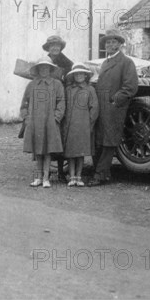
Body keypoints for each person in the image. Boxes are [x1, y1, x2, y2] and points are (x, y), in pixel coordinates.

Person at [88, 28, 138, 186]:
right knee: (98, 140)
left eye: (113, 42)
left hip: (114, 108)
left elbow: (130, 87)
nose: (109, 44)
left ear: (119, 45)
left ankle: (99, 175)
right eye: (107, 42)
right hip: (100, 107)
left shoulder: (126, 62)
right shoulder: (105, 62)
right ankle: (104, 173)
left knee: (109, 142)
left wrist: (115, 101)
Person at [20, 57, 65, 188]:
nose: (44, 70)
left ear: (50, 69)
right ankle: (39, 177)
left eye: (46, 68)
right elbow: (24, 104)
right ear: (38, 70)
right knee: (38, 151)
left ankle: (46, 178)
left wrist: (56, 117)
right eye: (41, 68)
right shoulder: (32, 85)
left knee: (47, 151)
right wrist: (27, 118)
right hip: (35, 122)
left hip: (50, 121)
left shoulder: (57, 84)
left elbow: (61, 102)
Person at [61, 63, 99, 187]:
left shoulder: (90, 89)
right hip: (70, 124)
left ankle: (79, 176)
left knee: (81, 152)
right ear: (73, 76)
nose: (79, 76)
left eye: (81, 73)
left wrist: (90, 123)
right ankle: (72, 177)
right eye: (76, 74)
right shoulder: (68, 89)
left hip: (84, 124)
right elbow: (64, 106)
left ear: (86, 75)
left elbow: (94, 108)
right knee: (71, 152)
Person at [42, 35, 73, 182]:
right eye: (52, 45)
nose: (54, 48)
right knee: (43, 135)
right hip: (44, 102)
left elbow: (69, 83)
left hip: (60, 101)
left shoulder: (67, 63)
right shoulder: (43, 61)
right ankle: (44, 171)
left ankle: (61, 171)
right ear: (48, 47)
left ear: (61, 48)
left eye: (57, 45)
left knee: (59, 135)